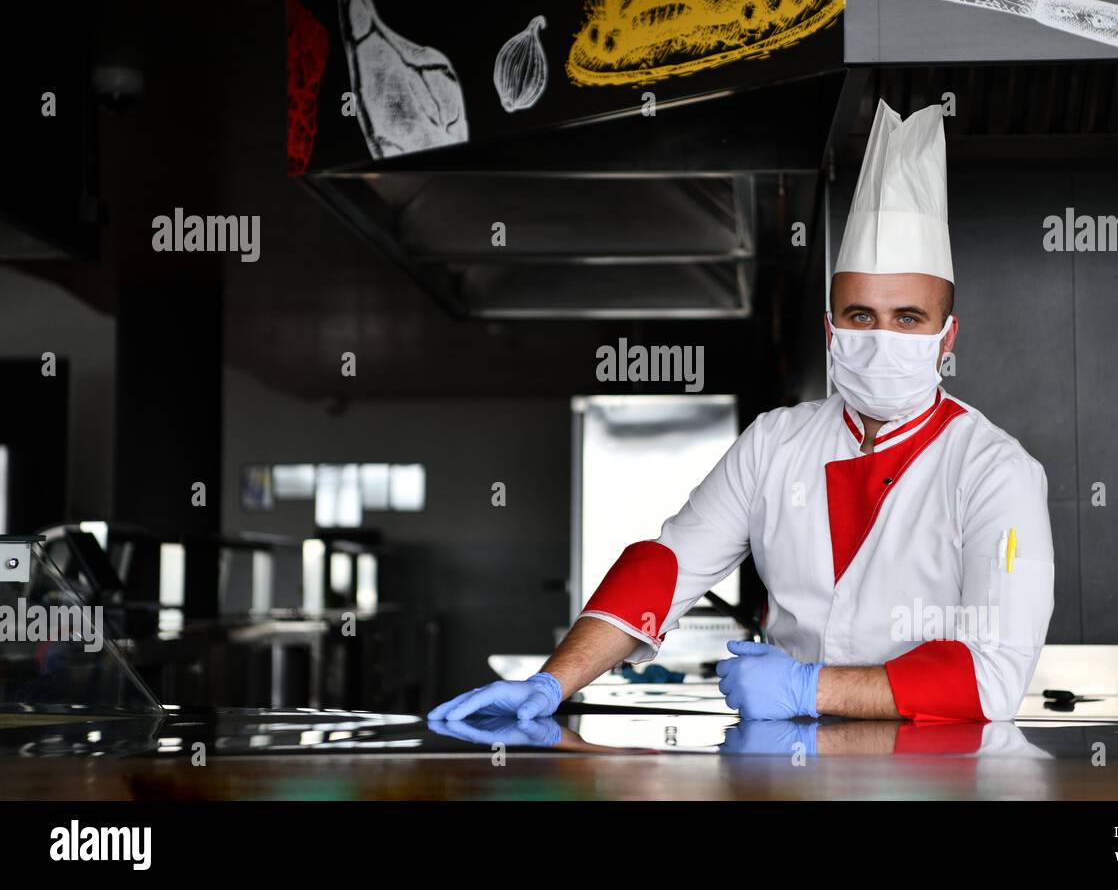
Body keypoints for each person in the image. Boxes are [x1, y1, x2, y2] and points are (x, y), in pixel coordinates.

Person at [429, 100, 1054, 726]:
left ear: (947, 338)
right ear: (831, 328)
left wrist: (809, 690)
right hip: (791, 766)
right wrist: (550, 683)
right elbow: (668, 568)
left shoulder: (996, 471)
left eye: (908, 318)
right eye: (860, 315)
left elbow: (991, 679)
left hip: (937, 778)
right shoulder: (776, 442)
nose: (881, 336)